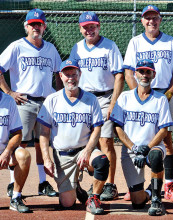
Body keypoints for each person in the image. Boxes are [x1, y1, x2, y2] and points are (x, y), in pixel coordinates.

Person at [123, 5, 173, 202]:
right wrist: (137, 95)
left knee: (166, 138)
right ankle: (136, 185)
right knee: (138, 136)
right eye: (147, 18)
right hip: (140, 95)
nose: (151, 21)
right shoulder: (135, 42)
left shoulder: (171, 41)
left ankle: (169, 184)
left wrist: (170, 92)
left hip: (163, 94)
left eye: (155, 17)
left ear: (160, 19)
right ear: (142, 21)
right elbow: (129, 72)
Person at [0, 8, 62, 197]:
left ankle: (43, 183)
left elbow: (59, 73)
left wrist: (60, 96)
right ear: (26, 26)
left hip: (46, 102)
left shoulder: (50, 48)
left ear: (44, 27)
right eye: (32, 24)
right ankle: (13, 184)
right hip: (24, 101)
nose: (36, 27)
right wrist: (9, 92)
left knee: (41, 143)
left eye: (39, 24)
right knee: (21, 143)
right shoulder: (17, 46)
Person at [37, 59, 110, 215]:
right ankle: (75, 188)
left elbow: (97, 128)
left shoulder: (91, 99)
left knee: (102, 161)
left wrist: (88, 150)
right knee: (67, 203)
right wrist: (47, 159)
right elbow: (43, 133)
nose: (71, 78)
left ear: (80, 75)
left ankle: (94, 198)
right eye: (67, 74)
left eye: (74, 74)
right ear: (61, 76)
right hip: (62, 156)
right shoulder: (52, 100)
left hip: (83, 150)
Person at [69, 11, 124, 201]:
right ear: (80, 29)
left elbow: (119, 75)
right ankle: (78, 183)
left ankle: (110, 184)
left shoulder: (109, 46)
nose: (89, 30)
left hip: (105, 97)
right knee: (80, 140)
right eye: (85, 27)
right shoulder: (77, 48)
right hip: (83, 99)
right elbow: (70, 74)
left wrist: (113, 102)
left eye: (92, 26)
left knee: (106, 140)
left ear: (99, 26)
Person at [110, 59, 173, 216]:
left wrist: (147, 148)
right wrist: (134, 148)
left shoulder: (160, 99)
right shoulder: (124, 97)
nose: (145, 75)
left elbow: (164, 130)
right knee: (137, 202)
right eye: (141, 71)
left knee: (157, 156)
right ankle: (150, 192)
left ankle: (157, 200)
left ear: (153, 75)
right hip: (131, 151)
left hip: (153, 147)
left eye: (148, 72)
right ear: (135, 74)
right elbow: (118, 128)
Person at [0, 91, 31, 213]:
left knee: (24, 155)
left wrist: (7, 151)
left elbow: (18, 134)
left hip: (4, 153)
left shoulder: (9, 101)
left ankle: (16, 198)